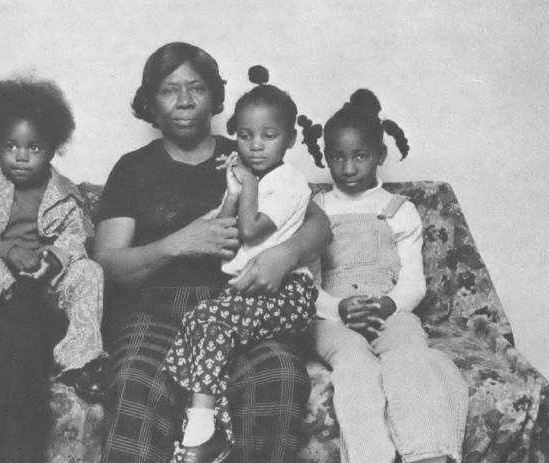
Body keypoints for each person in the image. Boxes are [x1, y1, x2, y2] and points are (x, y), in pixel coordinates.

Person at [93, 42, 332, 463]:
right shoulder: (133, 168)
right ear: (150, 100)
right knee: (137, 380)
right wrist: (177, 244)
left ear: (215, 97)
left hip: (241, 307)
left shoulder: (249, 154)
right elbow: (108, 263)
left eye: (196, 88)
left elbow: (320, 225)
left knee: (278, 374)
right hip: (154, 311)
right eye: (170, 90)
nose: (184, 102)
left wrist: (286, 255)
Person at [298, 89, 468, 463]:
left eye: (360, 156)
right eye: (337, 157)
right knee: (354, 366)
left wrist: (388, 304)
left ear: (380, 155)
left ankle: (427, 453)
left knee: (409, 356)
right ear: (325, 158)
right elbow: (307, 285)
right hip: (333, 315)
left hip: (388, 309)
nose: (348, 168)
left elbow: (413, 281)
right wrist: (339, 308)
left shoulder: (399, 210)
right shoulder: (315, 210)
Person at [162, 66, 317, 463]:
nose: (255, 146)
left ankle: (200, 434)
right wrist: (233, 191)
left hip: (287, 294)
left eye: (269, 136)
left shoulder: (288, 181)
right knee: (196, 325)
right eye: (245, 136)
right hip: (247, 290)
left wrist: (246, 182)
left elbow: (249, 232)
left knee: (210, 323)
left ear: (291, 139)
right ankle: (212, 434)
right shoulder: (255, 181)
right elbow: (225, 237)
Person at [0, 78, 107, 400]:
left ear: (53, 149)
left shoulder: (65, 192)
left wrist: (52, 260)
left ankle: (82, 361)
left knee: (90, 271)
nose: (21, 156)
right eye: (10, 146)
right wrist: (7, 251)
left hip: (46, 287)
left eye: (34, 148)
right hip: (1, 284)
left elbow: (76, 238)